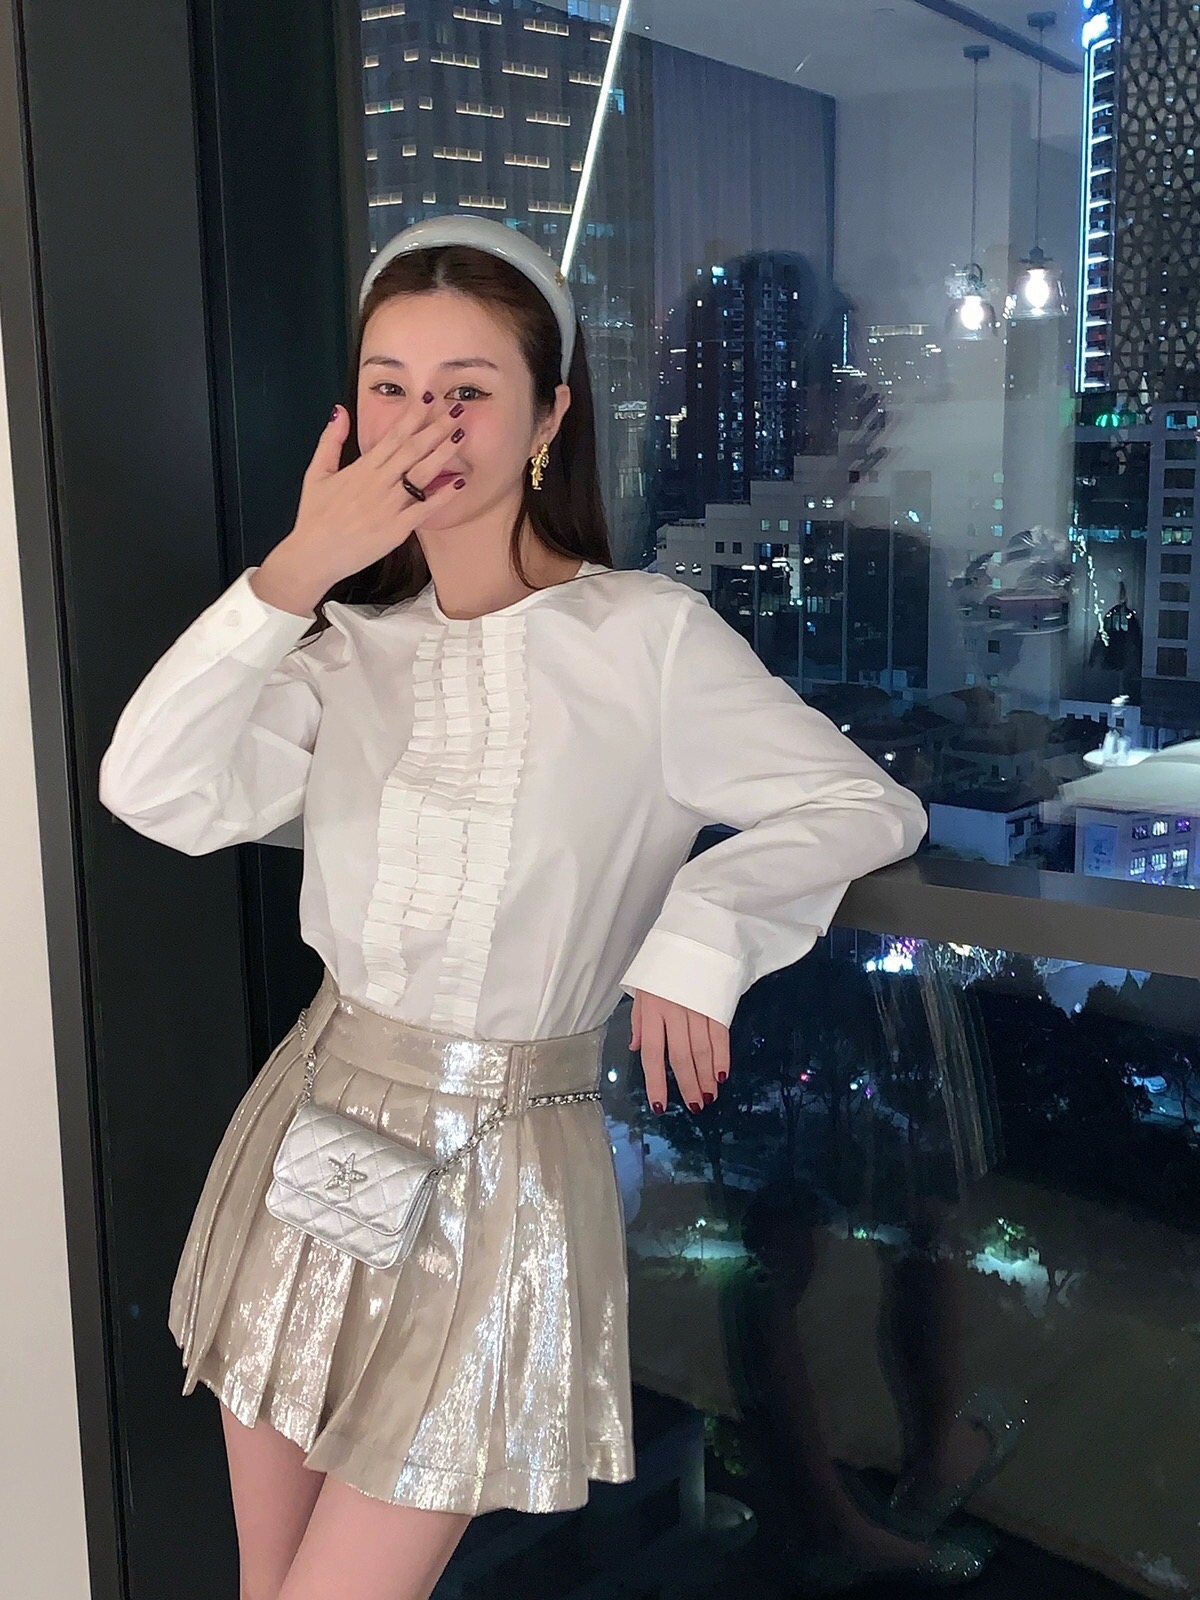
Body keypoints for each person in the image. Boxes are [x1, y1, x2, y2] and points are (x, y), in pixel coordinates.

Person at [97, 214, 927, 1600]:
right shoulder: (341, 651)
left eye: (468, 389)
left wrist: (701, 934)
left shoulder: (644, 640)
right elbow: (150, 790)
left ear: (549, 416)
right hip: (313, 1129)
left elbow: (860, 806)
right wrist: (293, 572)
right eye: (390, 387)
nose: (425, 425)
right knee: (265, 1580)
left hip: (501, 1161)